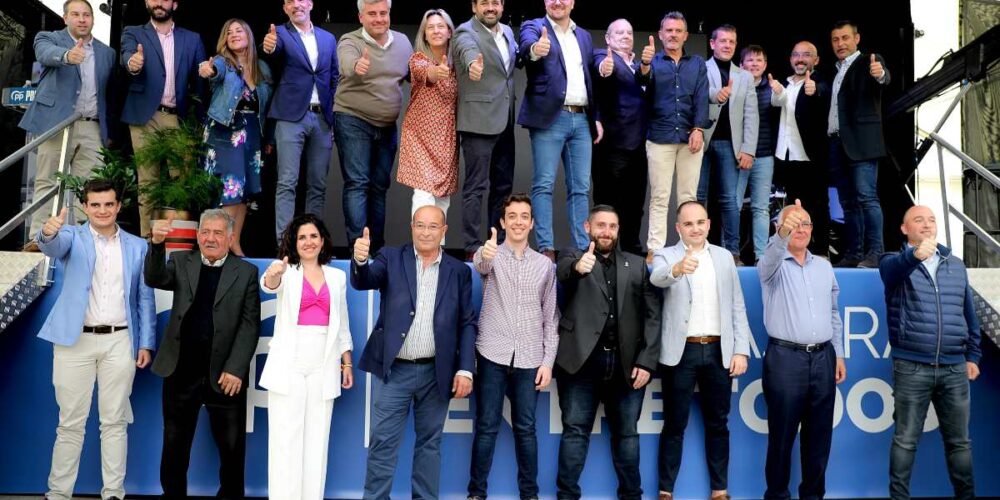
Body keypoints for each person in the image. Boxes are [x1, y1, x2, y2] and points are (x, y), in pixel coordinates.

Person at [35, 179, 156, 500]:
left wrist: (145, 342)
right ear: (85, 207)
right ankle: (58, 494)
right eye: (95, 205)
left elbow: (144, 299)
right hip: (75, 342)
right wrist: (47, 232)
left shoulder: (137, 246)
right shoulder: (71, 237)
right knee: (70, 424)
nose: (102, 211)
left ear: (118, 206)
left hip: (121, 341)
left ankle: (113, 494)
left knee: (114, 422)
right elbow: (52, 246)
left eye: (109, 204)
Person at [351, 205, 477, 499]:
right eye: (420, 225)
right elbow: (364, 280)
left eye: (433, 226)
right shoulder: (391, 258)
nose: (425, 232)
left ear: (444, 231)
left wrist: (465, 368)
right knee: (383, 442)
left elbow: (467, 323)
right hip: (395, 370)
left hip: (437, 372)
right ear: (411, 226)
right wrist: (359, 260)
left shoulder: (458, 271)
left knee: (430, 445)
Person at [145, 209, 262, 500]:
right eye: (205, 232)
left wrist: (236, 369)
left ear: (230, 237)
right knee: (174, 446)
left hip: (225, 377)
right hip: (180, 371)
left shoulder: (246, 273)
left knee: (232, 450)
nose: (210, 238)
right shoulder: (181, 261)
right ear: (197, 236)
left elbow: (250, 326)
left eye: (218, 233)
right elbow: (154, 277)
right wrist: (157, 245)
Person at [554, 205, 662, 500]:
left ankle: (631, 496)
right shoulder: (571, 256)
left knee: (627, 435)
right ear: (587, 227)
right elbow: (564, 272)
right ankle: (567, 496)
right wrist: (579, 268)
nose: (606, 232)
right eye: (600, 225)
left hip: (626, 365)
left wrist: (646, 361)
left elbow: (653, 316)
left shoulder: (637, 265)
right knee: (575, 433)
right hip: (580, 364)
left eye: (612, 226)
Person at [649, 200, 750, 500]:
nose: (695, 228)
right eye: (688, 224)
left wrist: (740, 350)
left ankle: (720, 491)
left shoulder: (723, 257)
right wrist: (678, 269)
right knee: (674, 424)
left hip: (719, 351)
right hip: (681, 353)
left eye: (700, 222)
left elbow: (737, 305)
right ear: (678, 227)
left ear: (708, 224)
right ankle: (666, 491)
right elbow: (657, 277)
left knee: (718, 424)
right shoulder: (666, 255)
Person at [879, 205, 981, 500]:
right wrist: (914, 255)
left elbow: (968, 313)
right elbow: (892, 271)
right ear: (904, 228)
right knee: (905, 441)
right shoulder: (893, 261)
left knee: (959, 444)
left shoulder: (956, 264)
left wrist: (973, 356)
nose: (926, 224)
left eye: (931, 219)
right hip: (912, 366)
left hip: (954, 368)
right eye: (918, 219)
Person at [467, 194, 559, 500]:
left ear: (532, 223)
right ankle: (476, 493)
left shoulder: (545, 266)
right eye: (512, 216)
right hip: (492, 353)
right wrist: (486, 251)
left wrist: (547, 362)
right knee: (486, 427)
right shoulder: (491, 255)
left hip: (530, 358)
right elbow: (481, 263)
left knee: (526, 430)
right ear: (503, 222)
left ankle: (529, 494)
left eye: (524, 216)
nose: (518, 222)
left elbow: (551, 318)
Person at [260, 214, 354, 500]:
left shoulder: (337, 277)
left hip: (323, 364)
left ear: (322, 240)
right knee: (285, 442)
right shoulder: (286, 271)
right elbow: (269, 283)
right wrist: (274, 275)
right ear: (294, 242)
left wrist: (346, 361)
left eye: (313, 236)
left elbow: (342, 324)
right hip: (289, 363)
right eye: (302, 237)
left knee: (316, 442)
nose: (308, 242)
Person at [758, 200, 846, 500]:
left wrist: (839, 353)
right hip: (785, 360)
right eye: (794, 223)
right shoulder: (771, 266)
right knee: (781, 438)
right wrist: (783, 230)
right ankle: (777, 495)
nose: (801, 229)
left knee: (819, 438)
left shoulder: (823, 265)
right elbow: (771, 254)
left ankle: (813, 496)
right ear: (780, 228)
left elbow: (833, 312)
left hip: (823, 358)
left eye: (805, 223)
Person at [19, 0, 116, 250]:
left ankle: (89, 240)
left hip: (93, 126)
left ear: (93, 20)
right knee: (48, 181)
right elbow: (44, 54)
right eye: (76, 14)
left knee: (93, 186)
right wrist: (67, 56)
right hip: (57, 123)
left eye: (87, 15)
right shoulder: (48, 38)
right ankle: (39, 239)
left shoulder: (107, 53)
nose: (82, 19)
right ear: (65, 18)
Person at [518, 0, 597, 259]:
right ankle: (546, 248)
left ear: (573, 2)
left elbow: (589, 77)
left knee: (581, 188)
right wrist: (535, 49)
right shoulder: (534, 26)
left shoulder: (583, 36)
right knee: (544, 185)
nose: (558, 2)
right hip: (550, 118)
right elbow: (526, 46)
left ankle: (583, 247)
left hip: (581, 118)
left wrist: (596, 116)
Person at [121, 0, 206, 236]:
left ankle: (180, 242)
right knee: (148, 182)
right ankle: (148, 243)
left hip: (178, 118)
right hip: (144, 117)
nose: (159, 3)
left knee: (183, 181)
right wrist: (133, 63)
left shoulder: (192, 38)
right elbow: (127, 58)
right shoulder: (133, 32)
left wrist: (198, 124)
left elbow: (199, 84)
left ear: (175, 4)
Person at [335, 0, 414, 253]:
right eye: (372, 14)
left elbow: (415, 74)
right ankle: (357, 248)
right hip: (352, 118)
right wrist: (357, 66)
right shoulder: (350, 41)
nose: (379, 18)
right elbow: (346, 65)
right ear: (361, 17)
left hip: (387, 125)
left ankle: (376, 249)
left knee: (380, 187)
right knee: (358, 183)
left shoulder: (402, 42)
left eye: (383, 13)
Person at [261, 0, 339, 242]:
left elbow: (334, 76)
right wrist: (270, 46)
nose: (296, 5)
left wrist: (331, 114)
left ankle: (312, 241)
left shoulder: (328, 38)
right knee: (287, 182)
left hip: (321, 118)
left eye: (301, 0)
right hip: (290, 115)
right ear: (284, 8)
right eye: (289, 2)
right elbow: (274, 51)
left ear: (311, 4)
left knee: (317, 184)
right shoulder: (281, 34)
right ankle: (284, 243)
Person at [638, 11, 709, 263]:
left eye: (678, 31)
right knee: (659, 196)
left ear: (686, 35)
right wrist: (644, 66)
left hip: (691, 137)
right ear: (660, 34)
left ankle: (689, 248)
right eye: (668, 30)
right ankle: (655, 251)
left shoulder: (697, 63)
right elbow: (643, 90)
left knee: (688, 197)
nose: (673, 35)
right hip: (660, 137)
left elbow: (702, 97)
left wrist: (699, 128)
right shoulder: (652, 62)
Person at [199, 18, 273, 256]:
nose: (233, 34)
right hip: (225, 131)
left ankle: (234, 242)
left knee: (244, 192)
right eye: (228, 32)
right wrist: (207, 69)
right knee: (231, 189)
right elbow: (213, 71)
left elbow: (268, 107)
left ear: (249, 35)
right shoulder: (223, 62)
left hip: (252, 132)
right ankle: (221, 247)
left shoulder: (261, 68)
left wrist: (268, 138)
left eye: (239, 30)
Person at [452, 0, 519, 260]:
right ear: (474, 7)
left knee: (503, 187)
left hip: (505, 120)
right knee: (476, 187)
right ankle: (471, 247)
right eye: (484, 3)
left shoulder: (508, 32)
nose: (490, 8)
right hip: (478, 121)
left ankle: (498, 245)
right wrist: (472, 65)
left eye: (495, 3)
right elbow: (467, 51)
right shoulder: (465, 32)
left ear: (502, 6)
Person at [828, 20, 890, 268]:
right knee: (848, 203)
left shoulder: (868, 62)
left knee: (866, 198)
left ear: (857, 39)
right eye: (835, 39)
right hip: (837, 143)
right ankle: (854, 252)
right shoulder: (835, 70)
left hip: (862, 143)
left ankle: (876, 253)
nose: (840, 43)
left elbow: (882, 78)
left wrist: (881, 74)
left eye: (845, 38)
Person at [696, 24, 758, 265]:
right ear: (712, 44)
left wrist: (748, 149)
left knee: (729, 200)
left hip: (730, 146)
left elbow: (752, 115)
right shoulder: (700, 67)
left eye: (732, 42)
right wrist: (716, 94)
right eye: (723, 41)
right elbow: (694, 98)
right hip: (701, 140)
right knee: (698, 197)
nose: (728, 45)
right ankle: (696, 248)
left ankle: (732, 252)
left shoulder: (744, 76)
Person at [770, 41, 831, 258]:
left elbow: (823, 91)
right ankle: (797, 252)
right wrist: (777, 92)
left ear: (816, 60)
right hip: (784, 155)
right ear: (790, 59)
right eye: (796, 54)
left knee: (817, 206)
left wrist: (814, 89)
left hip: (809, 155)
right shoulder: (783, 84)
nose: (800, 59)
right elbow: (776, 105)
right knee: (793, 207)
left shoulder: (819, 81)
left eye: (806, 55)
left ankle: (822, 252)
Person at [397, 9, 459, 222]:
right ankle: (420, 250)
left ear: (450, 32)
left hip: (446, 140)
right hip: (419, 138)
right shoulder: (418, 60)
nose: (435, 31)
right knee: (423, 195)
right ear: (424, 34)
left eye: (440, 26)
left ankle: (437, 251)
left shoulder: (458, 64)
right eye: (430, 27)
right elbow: (428, 73)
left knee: (442, 199)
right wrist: (437, 72)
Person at [592, 18, 647, 255]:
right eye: (619, 32)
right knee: (608, 204)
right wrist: (605, 66)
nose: (625, 36)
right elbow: (601, 67)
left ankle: (632, 252)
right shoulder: (603, 57)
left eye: (629, 32)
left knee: (635, 205)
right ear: (608, 38)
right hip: (612, 146)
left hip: (640, 147)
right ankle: (605, 252)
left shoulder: (642, 65)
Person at [739, 45, 780, 262]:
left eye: (759, 60)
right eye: (750, 60)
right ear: (741, 64)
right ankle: (731, 253)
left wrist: (779, 93)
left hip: (764, 155)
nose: (754, 64)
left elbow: (782, 103)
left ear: (765, 65)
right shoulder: (735, 85)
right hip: (738, 155)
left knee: (761, 208)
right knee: (733, 205)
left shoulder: (772, 88)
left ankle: (761, 257)